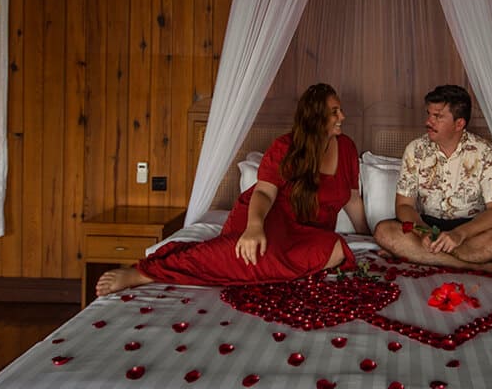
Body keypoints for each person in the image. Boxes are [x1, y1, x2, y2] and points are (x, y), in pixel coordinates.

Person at [95, 83, 368, 295]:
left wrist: (368, 236)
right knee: (259, 250)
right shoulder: (285, 148)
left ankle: (256, 266)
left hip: (308, 234)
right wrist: (254, 226)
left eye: (339, 110)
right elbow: (263, 193)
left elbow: (352, 199)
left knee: (336, 250)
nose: (342, 116)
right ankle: (146, 273)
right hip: (271, 218)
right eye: (334, 112)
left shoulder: (346, 148)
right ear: (315, 117)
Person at [373, 85, 492, 274]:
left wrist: (459, 234)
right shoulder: (415, 149)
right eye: (429, 114)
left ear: (459, 124)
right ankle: (473, 266)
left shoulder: (485, 152)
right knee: (383, 231)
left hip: (470, 229)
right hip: (426, 225)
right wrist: (424, 232)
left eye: (438, 116)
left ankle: (419, 255)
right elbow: (403, 206)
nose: (428, 121)